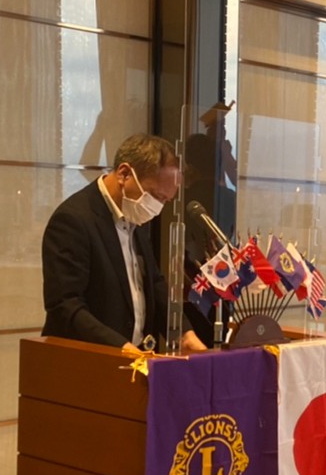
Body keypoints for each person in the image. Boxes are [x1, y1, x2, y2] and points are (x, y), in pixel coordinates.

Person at [42, 133, 207, 352]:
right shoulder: (73, 220)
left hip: (135, 353)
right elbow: (65, 305)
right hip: (88, 357)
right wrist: (121, 347)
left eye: (165, 201)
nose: (158, 208)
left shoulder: (133, 213)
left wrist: (183, 332)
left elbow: (153, 282)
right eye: (155, 196)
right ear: (124, 174)